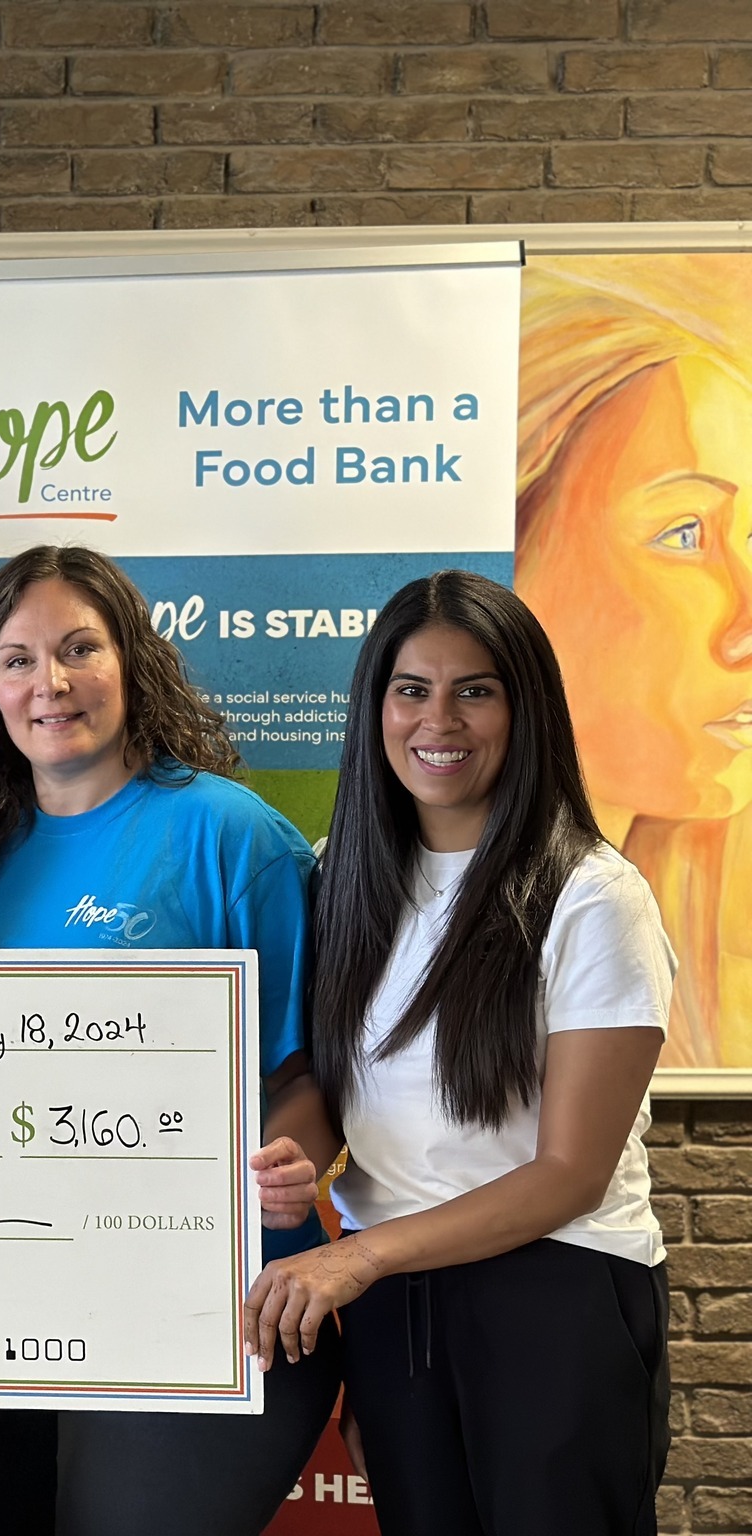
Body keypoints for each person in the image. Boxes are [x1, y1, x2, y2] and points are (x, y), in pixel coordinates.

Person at [246, 570, 673, 1536]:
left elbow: (570, 1172)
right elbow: (324, 1073)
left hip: (555, 1287)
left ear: (526, 710)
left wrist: (358, 1265)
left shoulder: (594, 895)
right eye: (412, 689)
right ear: (376, 706)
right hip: (400, 1299)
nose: (440, 719)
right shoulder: (342, 872)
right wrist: (297, 1154)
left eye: (475, 689)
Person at [0, 544, 339, 1536]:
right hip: (6, 1303)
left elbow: (307, 1073)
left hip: (210, 1301)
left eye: (78, 649)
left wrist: (297, 1159)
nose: (49, 683)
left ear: (132, 660)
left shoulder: (227, 836)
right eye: (17, 659)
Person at [514, 257, 752, 1065]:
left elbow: (574, 1175)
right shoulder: (368, 882)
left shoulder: (620, 902)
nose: (745, 624)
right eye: (683, 533)